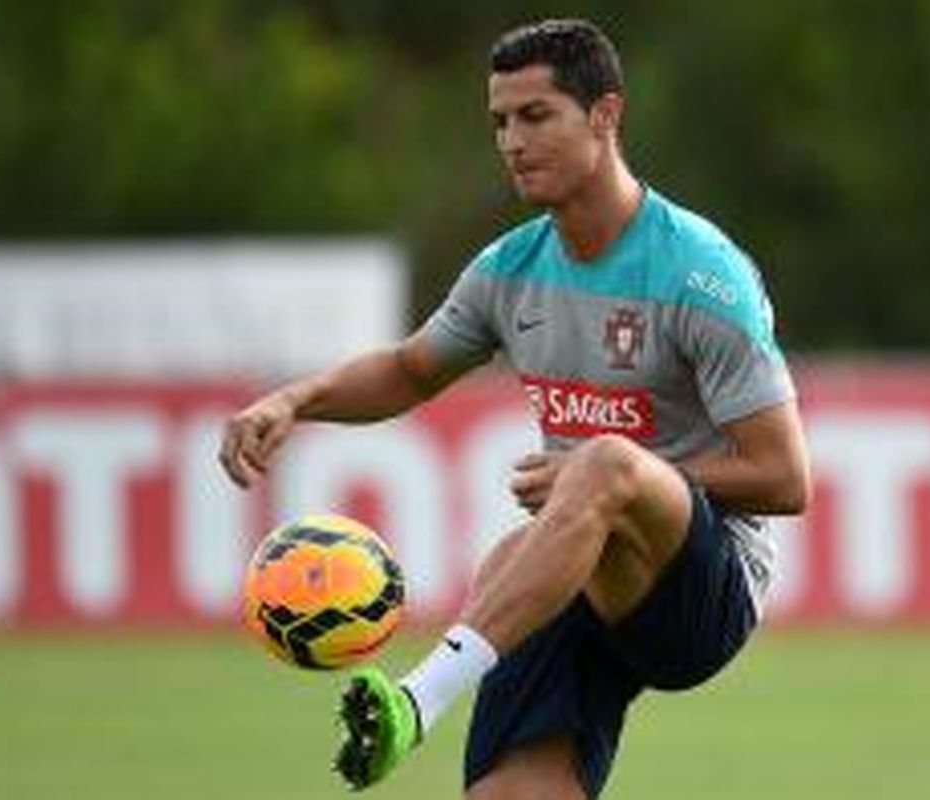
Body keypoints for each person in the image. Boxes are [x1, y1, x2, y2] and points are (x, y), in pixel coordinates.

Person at [219, 18, 811, 799]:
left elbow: (783, 477)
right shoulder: (510, 269)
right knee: (509, 762)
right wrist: (297, 400)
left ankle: (415, 701)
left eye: (536, 116)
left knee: (600, 465)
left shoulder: (701, 274)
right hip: (576, 563)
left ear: (605, 115)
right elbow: (408, 370)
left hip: (701, 594)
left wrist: (606, 476)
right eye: (500, 121)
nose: (511, 141)